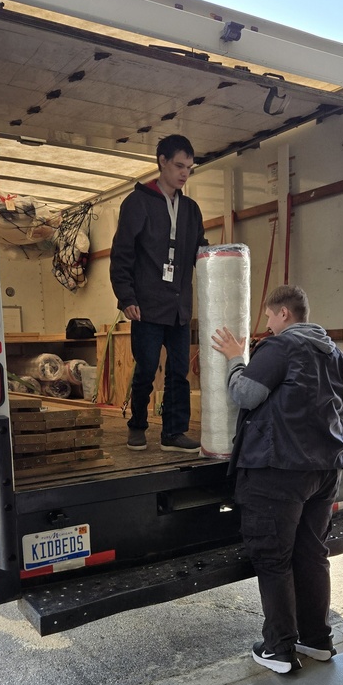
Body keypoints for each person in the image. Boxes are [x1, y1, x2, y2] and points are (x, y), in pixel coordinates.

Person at [211, 285, 343, 674]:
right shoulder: (335, 353)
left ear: (284, 314)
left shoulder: (281, 348)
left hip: (279, 471)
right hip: (325, 470)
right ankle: (317, 640)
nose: (268, 325)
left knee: (274, 559)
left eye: (270, 317)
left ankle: (279, 649)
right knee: (311, 553)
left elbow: (245, 394)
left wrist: (236, 359)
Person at [110, 134, 208, 453]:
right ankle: (137, 424)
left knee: (178, 372)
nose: (184, 173)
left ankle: (174, 432)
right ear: (162, 162)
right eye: (179, 166)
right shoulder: (137, 203)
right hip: (147, 307)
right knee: (147, 369)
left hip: (179, 308)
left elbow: (199, 250)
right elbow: (122, 253)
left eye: (189, 168)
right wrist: (127, 298)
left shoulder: (191, 210)